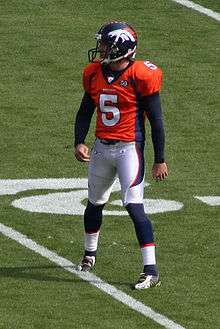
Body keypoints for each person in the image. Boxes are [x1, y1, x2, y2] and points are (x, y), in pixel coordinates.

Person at [74, 20, 168, 289]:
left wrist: (159, 158)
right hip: (102, 147)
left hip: (129, 148)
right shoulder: (94, 73)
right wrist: (79, 141)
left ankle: (151, 270)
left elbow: (157, 120)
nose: (100, 49)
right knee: (94, 202)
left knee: (134, 206)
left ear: (120, 48)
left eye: (105, 44)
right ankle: (89, 254)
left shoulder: (141, 76)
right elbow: (84, 111)